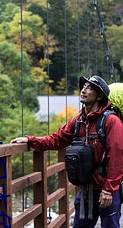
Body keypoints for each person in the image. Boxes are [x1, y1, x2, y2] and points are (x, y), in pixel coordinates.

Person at [10, 75, 123, 228]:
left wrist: (109, 190)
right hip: (85, 189)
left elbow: (117, 156)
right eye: (83, 87)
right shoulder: (78, 121)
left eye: (89, 88)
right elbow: (57, 139)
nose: (83, 90)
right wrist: (30, 140)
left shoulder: (111, 121)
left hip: (106, 189)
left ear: (100, 96)